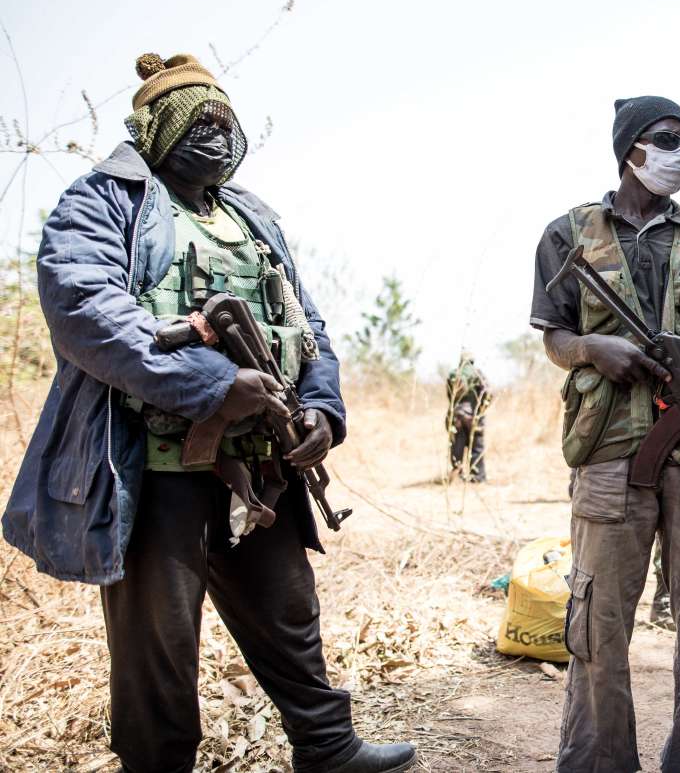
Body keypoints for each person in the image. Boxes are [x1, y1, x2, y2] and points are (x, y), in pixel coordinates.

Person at [1, 53, 416, 773]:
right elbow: (84, 308)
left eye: (227, 122)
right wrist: (210, 384)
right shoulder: (106, 202)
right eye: (200, 121)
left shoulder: (251, 218)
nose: (217, 136)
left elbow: (307, 325)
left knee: (290, 610)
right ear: (157, 127)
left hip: (260, 464)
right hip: (153, 469)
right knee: (157, 650)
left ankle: (326, 746)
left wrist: (321, 407)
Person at [530, 96, 680, 773]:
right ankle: (599, 762)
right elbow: (554, 335)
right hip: (608, 452)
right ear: (630, 147)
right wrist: (592, 350)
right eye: (667, 139)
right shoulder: (567, 234)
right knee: (599, 628)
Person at [446, 350, 491, 482]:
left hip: (457, 415)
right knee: (476, 446)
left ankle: (456, 475)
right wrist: (480, 410)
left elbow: (450, 396)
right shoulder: (477, 373)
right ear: (472, 361)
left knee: (457, 444)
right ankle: (478, 477)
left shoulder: (453, 373)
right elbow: (488, 393)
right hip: (474, 416)